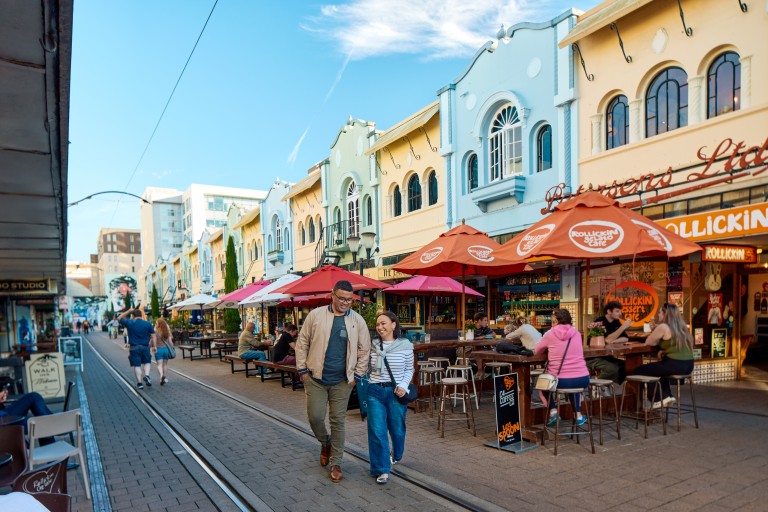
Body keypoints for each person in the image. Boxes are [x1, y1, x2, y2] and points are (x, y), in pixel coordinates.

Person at [295, 280, 371, 483]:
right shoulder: (316, 315)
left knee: (338, 421)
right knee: (315, 418)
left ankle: (336, 462)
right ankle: (325, 442)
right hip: (316, 378)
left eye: (350, 299)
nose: (346, 303)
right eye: (342, 298)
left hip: (342, 382)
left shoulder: (357, 320)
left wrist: (358, 374)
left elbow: (365, 349)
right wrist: (302, 369)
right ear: (332, 295)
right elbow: (302, 343)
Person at [366, 311, 414, 484]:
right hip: (375, 391)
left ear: (394, 325)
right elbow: (366, 367)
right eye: (378, 324)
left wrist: (402, 386)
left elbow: (409, 369)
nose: (380, 327)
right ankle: (382, 469)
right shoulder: (373, 345)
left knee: (397, 429)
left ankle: (397, 454)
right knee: (377, 431)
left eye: (383, 323)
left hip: (396, 392)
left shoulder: (405, 345)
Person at [534, 308, 590, 427]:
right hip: (583, 378)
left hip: (561, 380)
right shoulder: (577, 333)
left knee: (543, 386)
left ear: (555, 321)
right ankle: (578, 415)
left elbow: (537, 351)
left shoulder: (550, 334)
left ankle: (553, 412)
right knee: (573, 386)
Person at [633, 303, 694, 408]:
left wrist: (655, 331)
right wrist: (663, 350)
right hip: (688, 366)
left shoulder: (663, 326)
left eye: (660, 312)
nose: (658, 315)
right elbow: (674, 345)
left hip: (675, 364)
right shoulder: (681, 327)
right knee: (659, 371)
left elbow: (648, 342)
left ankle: (659, 398)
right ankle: (668, 396)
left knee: (639, 371)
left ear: (666, 314)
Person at [585, 301, 629, 384]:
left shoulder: (616, 321)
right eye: (617, 311)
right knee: (613, 368)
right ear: (609, 312)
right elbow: (607, 340)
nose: (620, 313)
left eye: (620, 311)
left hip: (607, 355)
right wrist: (623, 327)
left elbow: (625, 338)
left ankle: (614, 388)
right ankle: (596, 385)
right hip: (594, 356)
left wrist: (613, 340)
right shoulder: (599, 322)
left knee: (625, 365)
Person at [118, 307, 155, 389]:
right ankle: (147, 375)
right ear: (141, 315)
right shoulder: (147, 323)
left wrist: (128, 311)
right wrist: (154, 346)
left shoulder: (129, 322)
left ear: (133, 316)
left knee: (137, 365)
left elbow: (119, 318)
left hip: (134, 347)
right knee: (147, 362)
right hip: (145, 347)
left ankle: (139, 383)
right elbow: (153, 336)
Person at [152, 317, 175, 385]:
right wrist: (172, 347)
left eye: (156, 323)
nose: (155, 324)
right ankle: (164, 377)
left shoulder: (156, 332)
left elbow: (153, 341)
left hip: (159, 350)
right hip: (166, 350)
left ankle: (161, 376)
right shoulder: (166, 332)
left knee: (159, 365)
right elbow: (171, 342)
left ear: (159, 324)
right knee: (165, 364)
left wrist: (154, 347)